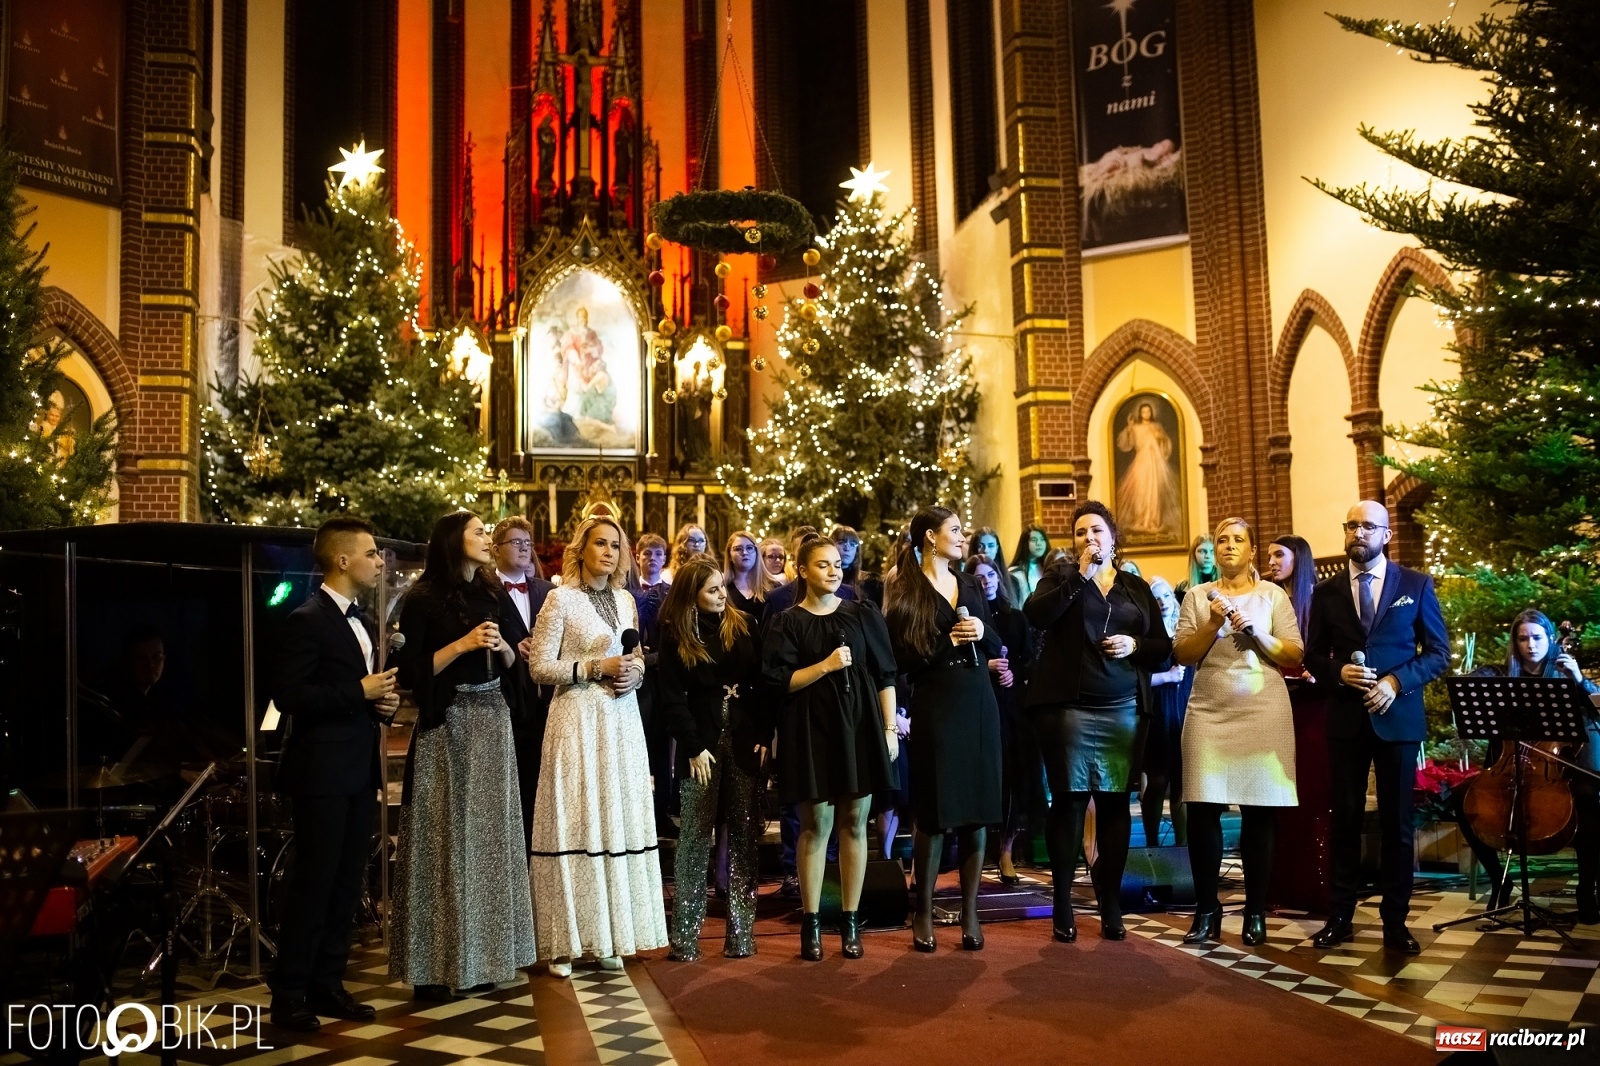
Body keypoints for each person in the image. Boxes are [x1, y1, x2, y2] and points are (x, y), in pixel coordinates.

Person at [392, 511, 536, 999]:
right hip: (448, 723)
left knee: (492, 841)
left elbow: (517, 660)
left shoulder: (492, 593)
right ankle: (434, 967)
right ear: (455, 540)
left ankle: (488, 957)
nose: (487, 538)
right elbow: (408, 672)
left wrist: (505, 648)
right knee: (445, 839)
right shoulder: (422, 598)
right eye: (478, 532)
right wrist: (462, 645)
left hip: (494, 719)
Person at [1022, 501, 1172, 942]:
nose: (1089, 538)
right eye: (1081, 532)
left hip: (1123, 708)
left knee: (1114, 803)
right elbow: (1036, 615)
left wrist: (1133, 645)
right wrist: (1081, 577)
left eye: (1097, 531)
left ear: (1113, 538)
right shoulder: (1060, 578)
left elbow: (1162, 648)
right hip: (1068, 709)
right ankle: (1062, 902)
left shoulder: (1134, 587)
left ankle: (1111, 903)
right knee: (1069, 802)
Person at [1304, 501, 1449, 955]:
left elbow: (1437, 654)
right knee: (1345, 821)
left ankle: (1395, 922)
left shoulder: (1416, 585)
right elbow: (1313, 655)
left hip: (1398, 719)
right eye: (1352, 525)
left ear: (1386, 535)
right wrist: (1337, 673)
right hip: (1346, 720)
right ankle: (1339, 917)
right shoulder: (1326, 592)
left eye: (1369, 526)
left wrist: (1396, 682)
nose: (1359, 532)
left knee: (1397, 825)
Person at [269, 517, 397, 1031]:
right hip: (320, 773)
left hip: (358, 771)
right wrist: (358, 692)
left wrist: (379, 705)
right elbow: (289, 696)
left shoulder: (360, 621)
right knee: (313, 884)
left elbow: (354, 693)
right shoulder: (307, 619)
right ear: (342, 560)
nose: (379, 561)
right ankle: (289, 994)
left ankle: (328, 983)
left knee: (347, 884)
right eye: (371, 553)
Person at [525, 514, 666, 976]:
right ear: (581, 549)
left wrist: (635, 672)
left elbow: (635, 655)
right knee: (576, 820)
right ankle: (564, 944)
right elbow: (539, 667)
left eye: (615, 545)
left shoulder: (626, 600)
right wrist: (593, 668)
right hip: (576, 720)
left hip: (621, 721)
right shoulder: (560, 599)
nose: (608, 551)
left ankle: (608, 935)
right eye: (600, 543)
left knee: (613, 821)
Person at [763, 538, 899, 960]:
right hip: (810, 731)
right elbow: (778, 682)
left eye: (837, 564)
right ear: (803, 571)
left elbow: (885, 674)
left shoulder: (862, 614)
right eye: (823, 565)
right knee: (815, 826)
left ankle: (850, 919)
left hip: (859, 728)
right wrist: (825, 666)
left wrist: (889, 729)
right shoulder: (787, 622)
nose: (834, 571)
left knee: (855, 823)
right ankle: (812, 921)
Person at [1173, 517, 1303, 946]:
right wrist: (1212, 624)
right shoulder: (1198, 596)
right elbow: (1183, 654)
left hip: (1262, 709)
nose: (1229, 546)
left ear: (1252, 551)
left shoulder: (1273, 595)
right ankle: (1206, 909)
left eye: (1238, 540)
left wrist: (1257, 632)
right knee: (1202, 810)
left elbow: (1293, 654)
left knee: (1259, 813)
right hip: (1209, 710)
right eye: (1222, 540)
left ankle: (1255, 911)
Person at [887, 507, 1002, 952]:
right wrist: (946, 642)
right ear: (931, 537)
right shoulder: (907, 588)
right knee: (934, 813)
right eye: (954, 530)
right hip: (937, 704)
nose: (962, 536)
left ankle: (971, 912)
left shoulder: (969, 583)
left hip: (978, 701)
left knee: (977, 812)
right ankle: (923, 909)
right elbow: (900, 659)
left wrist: (981, 630)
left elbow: (995, 641)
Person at [1456, 611, 1600, 921]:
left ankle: (1587, 889)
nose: (1530, 645)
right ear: (1515, 642)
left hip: (1558, 769)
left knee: (1589, 798)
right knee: (1461, 797)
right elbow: (1471, 688)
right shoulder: (1502, 674)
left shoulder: (1564, 675)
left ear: (1550, 639)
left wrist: (1578, 679)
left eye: (1537, 637)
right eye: (1523, 639)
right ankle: (1500, 880)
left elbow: (1596, 709)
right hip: (1509, 767)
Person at [659, 558, 767, 960]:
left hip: (743, 739)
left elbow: (763, 684)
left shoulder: (745, 624)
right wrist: (691, 746)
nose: (723, 595)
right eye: (713, 590)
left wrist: (763, 733)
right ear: (692, 595)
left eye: (722, 586)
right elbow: (671, 698)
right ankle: (685, 937)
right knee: (693, 839)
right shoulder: (674, 633)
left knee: (744, 836)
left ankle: (741, 935)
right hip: (699, 744)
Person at [1265, 533, 1334, 912]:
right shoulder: (1269, 599)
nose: (1272, 561)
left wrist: (1317, 672)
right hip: (1276, 707)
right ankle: (1280, 887)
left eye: (1279, 555)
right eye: (1269, 555)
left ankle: (1317, 888)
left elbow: (1332, 651)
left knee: (1311, 797)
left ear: (1299, 559)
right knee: (1278, 798)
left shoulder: (1320, 599)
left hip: (1313, 709)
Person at [966, 553, 1042, 883]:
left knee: (1014, 777)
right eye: (979, 577)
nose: (986, 581)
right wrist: (986, 668)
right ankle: (977, 850)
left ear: (999, 577)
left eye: (990, 575)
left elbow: (1029, 659)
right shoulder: (968, 618)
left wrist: (1014, 673)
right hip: (978, 705)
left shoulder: (1015, 617)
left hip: (1012, 707)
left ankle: (1007, 850)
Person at [491, 516, 557, 856]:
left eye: (527, 543)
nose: (524, 549)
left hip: (545, 702)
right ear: (496, 549)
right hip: (505, 701)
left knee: (540, 788)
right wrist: (510, 648)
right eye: (515, 542)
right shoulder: (485, 591)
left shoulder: (548, 592)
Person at [1139, 576, 1191, 847]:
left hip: (1184, 711)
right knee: (1158, 781)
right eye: (1156, 598)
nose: (1163, 602)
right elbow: (1134, 679)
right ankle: (1152, 846)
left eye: (1167, 596)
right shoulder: (1146, 635)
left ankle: (1182, 849)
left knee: (1182, 784)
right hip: (1158, 713)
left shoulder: (1187, 632)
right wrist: (1166, 677)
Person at [1115, 402, 1181, 538]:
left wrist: (1161, 438)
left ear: (1151, 413)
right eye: (1144, 412)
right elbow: (1126, 443)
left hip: (1155, 464)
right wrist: (1129, 428)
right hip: (1141, 461)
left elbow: (1165, 443)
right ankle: (1140, 520)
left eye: (1148, 411)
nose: (1146, 414)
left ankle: (1153, 522)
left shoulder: (1157, 427)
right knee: (1140, 492)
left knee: (1154, 493)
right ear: (1140, 413)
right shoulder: (1136, 427)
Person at [723, 529, 776, 624]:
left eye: (750, 548)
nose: (745, 552)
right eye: (738, 549)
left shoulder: (774, 587)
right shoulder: (723, 588)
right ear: (729, 555)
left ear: (756, 552)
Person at [1009, 525, 1050, 605]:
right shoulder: (1015, 572)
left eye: (1042, 539)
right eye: (1034, 540)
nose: (1039, 543)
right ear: (1025, 543)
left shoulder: (1051, 567)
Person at [1175, 534, 1218, 599]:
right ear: (1193, 554)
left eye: (1212, 552)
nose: (1208, 556)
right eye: (1202, 551)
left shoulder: (1225, 584)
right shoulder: (1182, 588)